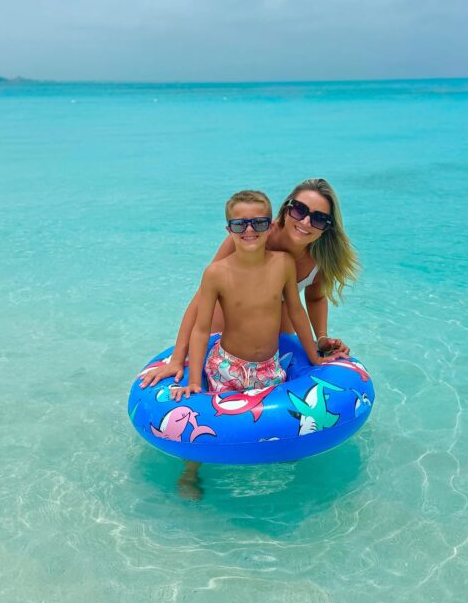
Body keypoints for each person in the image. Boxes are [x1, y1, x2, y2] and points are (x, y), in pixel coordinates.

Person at [148, 189, 335, 499]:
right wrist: (191, 377)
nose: (249, 231)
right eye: (239, 225)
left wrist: (315, 356)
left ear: (269, 223)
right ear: (229, 229)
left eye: (259, 224)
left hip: (270, 366)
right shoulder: (217, 273)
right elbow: (201, 329)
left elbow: (297, 311)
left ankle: (288, 475)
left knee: (281, 422)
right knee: (212, 424)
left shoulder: (284, 263)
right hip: (226, 366)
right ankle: (191, 471)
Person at [141, 178, 359, 395]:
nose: (306, 222)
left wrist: (320, 341)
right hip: (230, 322)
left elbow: (313, 298)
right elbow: (201, 306)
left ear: (327, 227)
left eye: (319, 219)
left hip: (272, 327)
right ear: (285, 211)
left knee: (280, 346)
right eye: (300, 210)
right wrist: (178, 359)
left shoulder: (308, 257)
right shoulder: (250, 236)